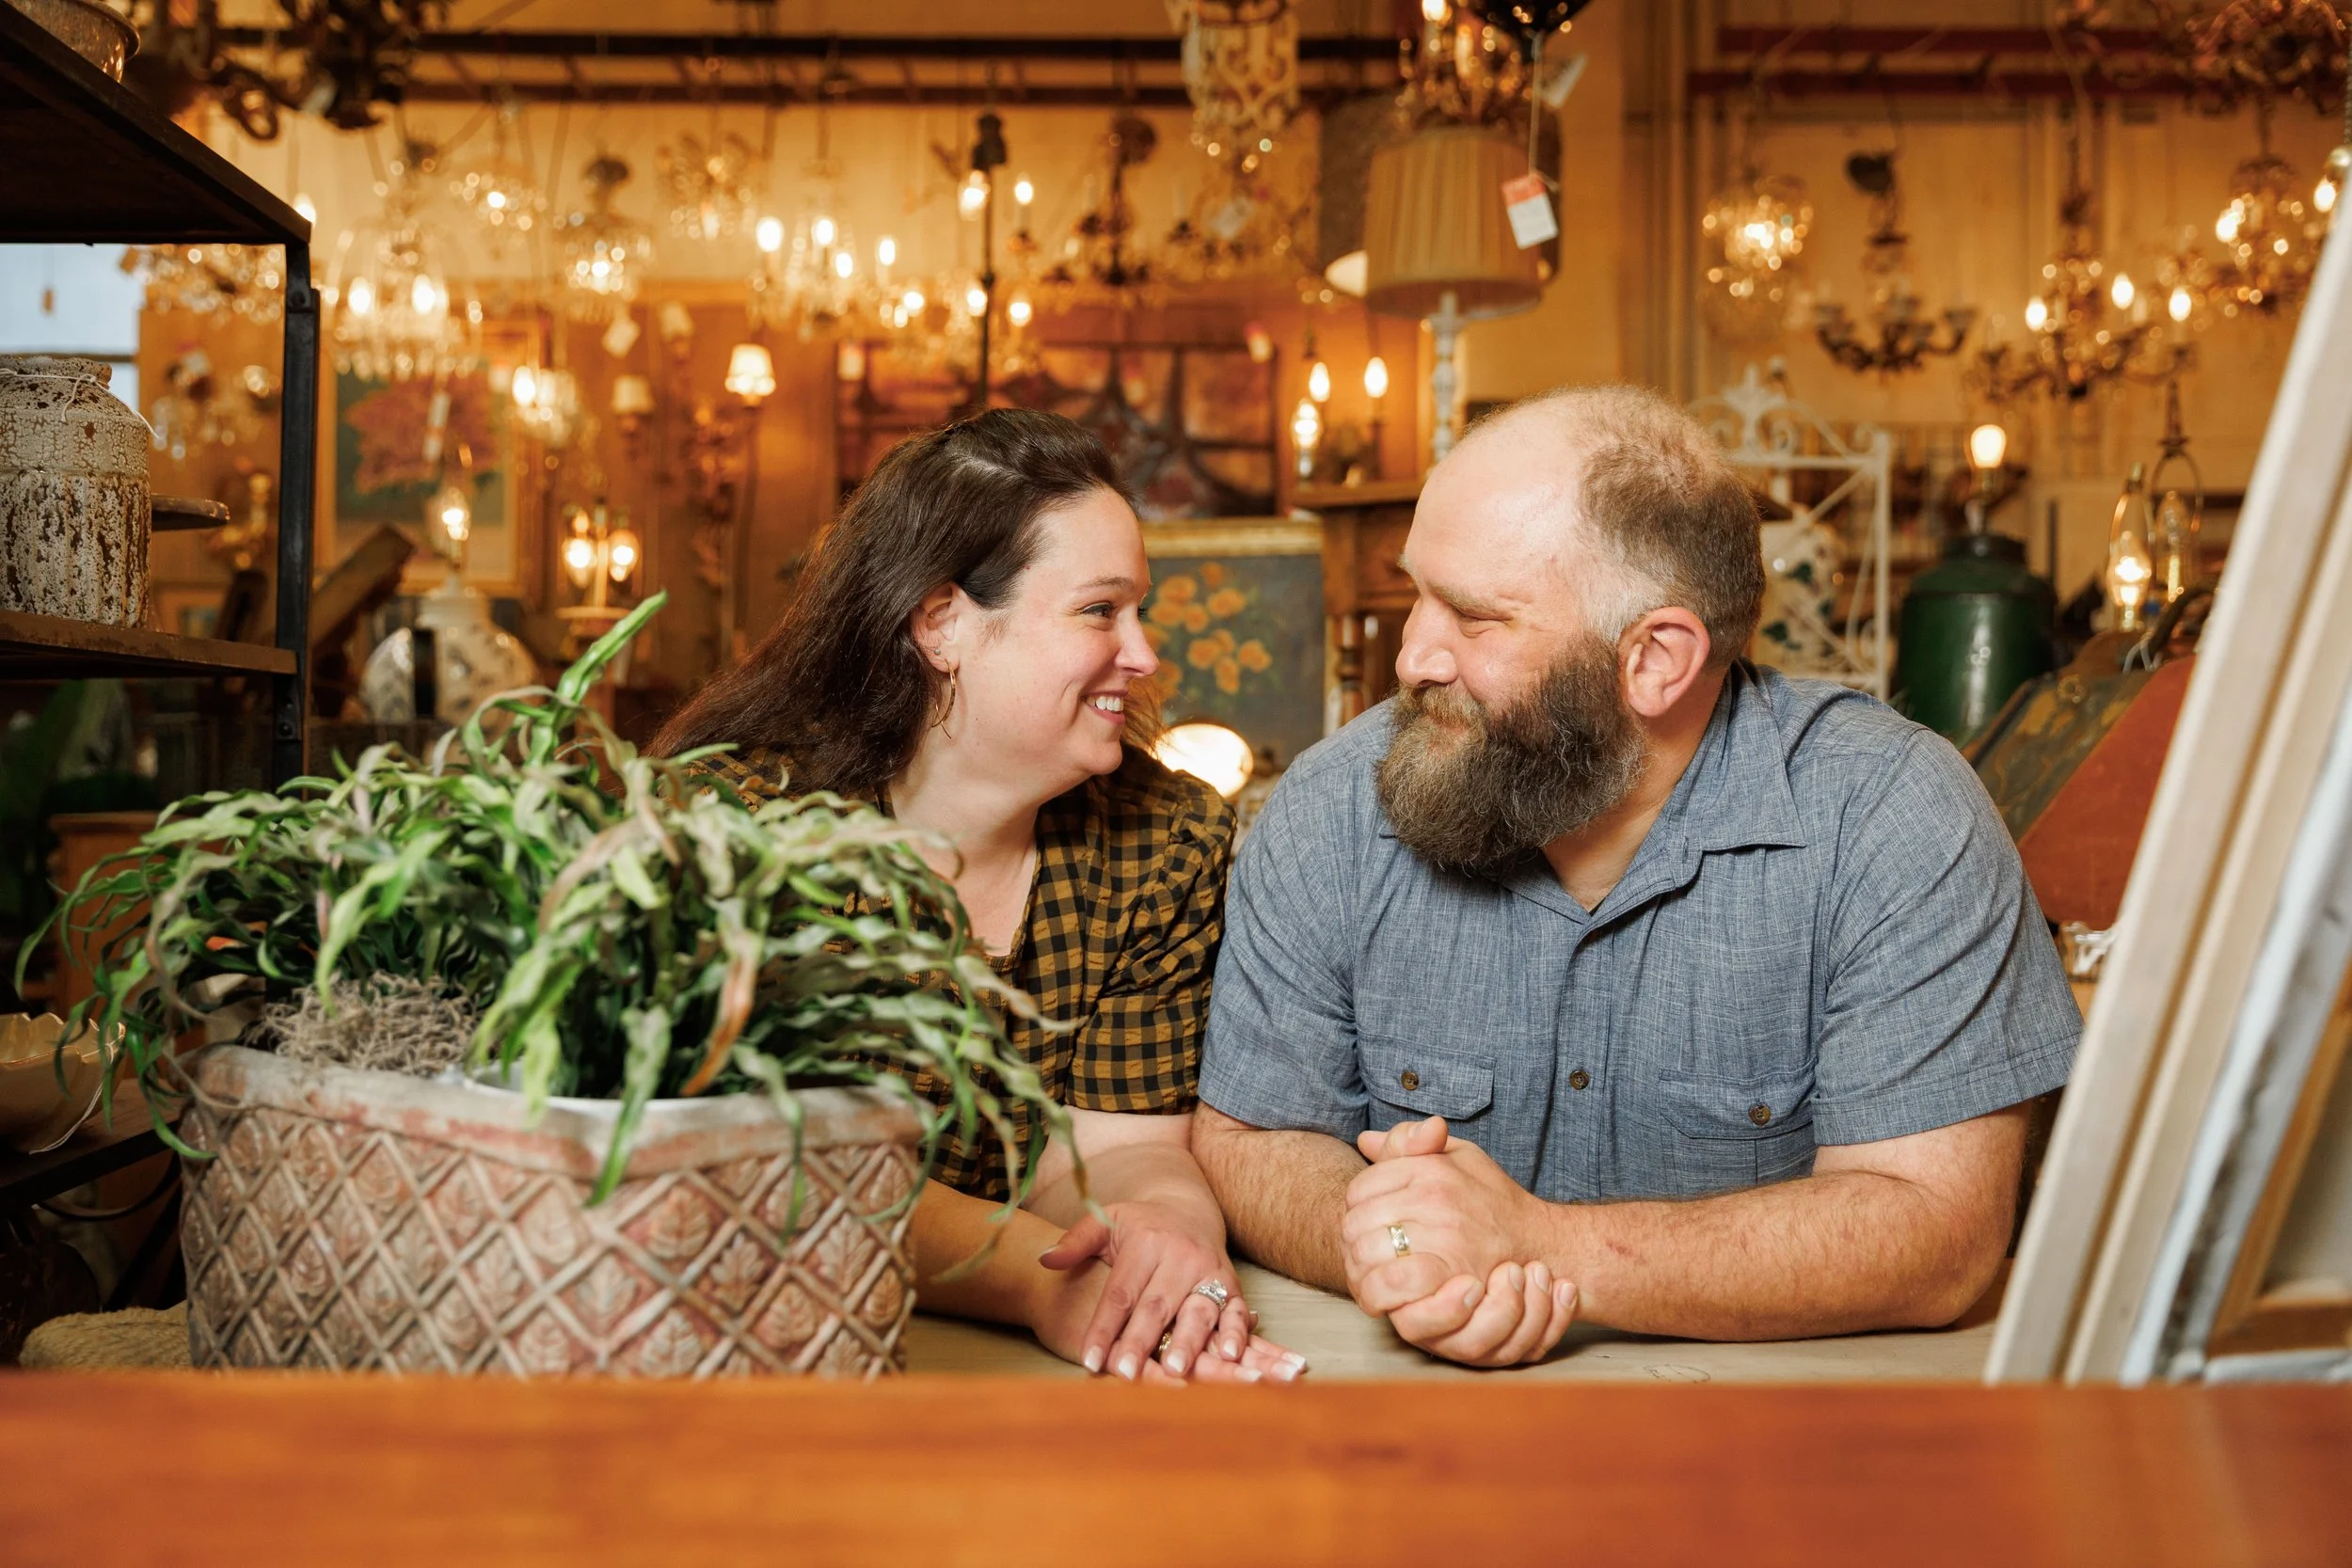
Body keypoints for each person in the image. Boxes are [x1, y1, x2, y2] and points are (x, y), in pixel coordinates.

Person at [1192, 385, 2081, 1369]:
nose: (1412, 655)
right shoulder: (1333, 805)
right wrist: (1407, 1249)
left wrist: (1546, 1250)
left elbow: (1939, 1232)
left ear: (1655, 657)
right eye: (1417, 592)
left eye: (1475, 619)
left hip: (1774, 1462)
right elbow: (1250, 1137)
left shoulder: (1893, 817)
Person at [654, 408, 1300, 1385]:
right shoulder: (740, 832)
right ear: (943, 624)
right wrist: (1036, 1282)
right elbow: (781, 1170)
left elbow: (1115, 1145)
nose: (1145, 654)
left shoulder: (1161, 841)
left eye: (1141, 611)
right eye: (1099, 611)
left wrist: (1160, 1237)